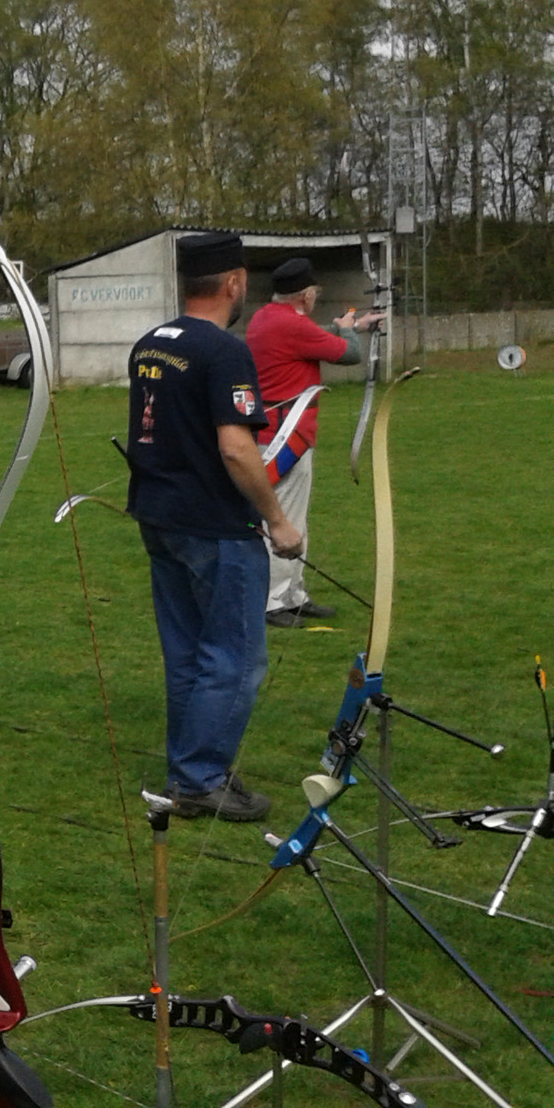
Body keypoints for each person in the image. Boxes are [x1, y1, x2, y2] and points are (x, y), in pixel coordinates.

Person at [125, 232, 304, 821]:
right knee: (236, 658)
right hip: (214, 527)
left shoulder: (151, 344)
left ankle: (191, 771)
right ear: (234, 282)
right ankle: (199, 778)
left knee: (187, 653)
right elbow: (236, 447)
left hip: (160, 518)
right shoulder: (224, 351)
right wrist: (277, 520)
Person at [246, 256, 385, 629]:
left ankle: (293, 595)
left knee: (293, 517)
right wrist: (349, 332)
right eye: (314, 293)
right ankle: (274, 600)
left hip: (276, 434)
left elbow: (314, 334)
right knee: (284, 518)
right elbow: (349, 353)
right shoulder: (291, 325)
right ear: (305, 295)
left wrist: (350, 325)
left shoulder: (267, 318)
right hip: (285, 436)